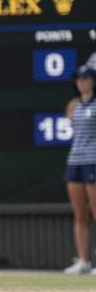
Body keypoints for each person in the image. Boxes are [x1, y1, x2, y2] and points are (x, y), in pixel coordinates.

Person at [62, 65, 96, 275]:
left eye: (85, 78)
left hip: (94, 160)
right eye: (78, 79)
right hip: (75, 160)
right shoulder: (73, 105)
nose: (80, 82)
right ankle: (83, 261)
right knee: (80, 214)